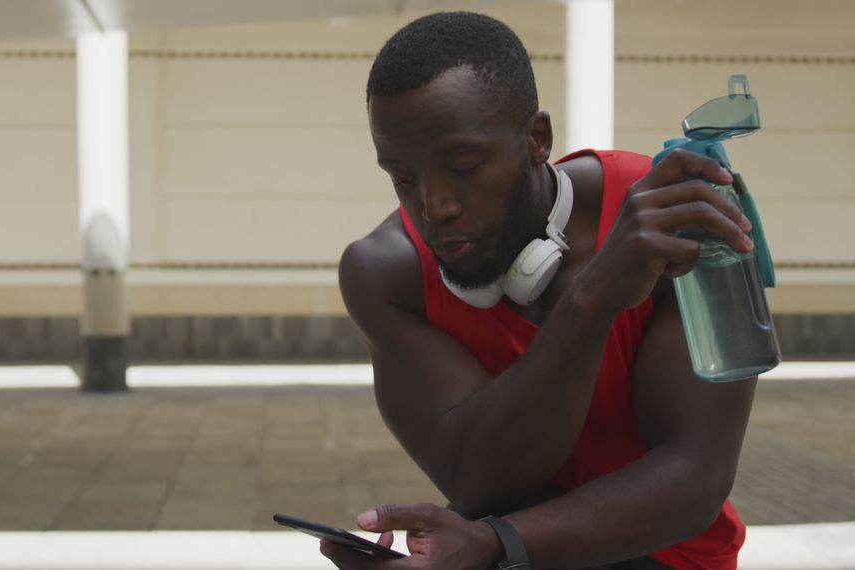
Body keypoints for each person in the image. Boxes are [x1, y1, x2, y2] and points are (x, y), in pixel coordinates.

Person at [324, 11, 757, 570]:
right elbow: (481, 480)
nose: (435, 206)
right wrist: (592, 299)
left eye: (463, 165)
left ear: (536, 139)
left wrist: (492, 544)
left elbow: (695, 478)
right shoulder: (384, 274)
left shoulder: (678, 214)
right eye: (403, 177)